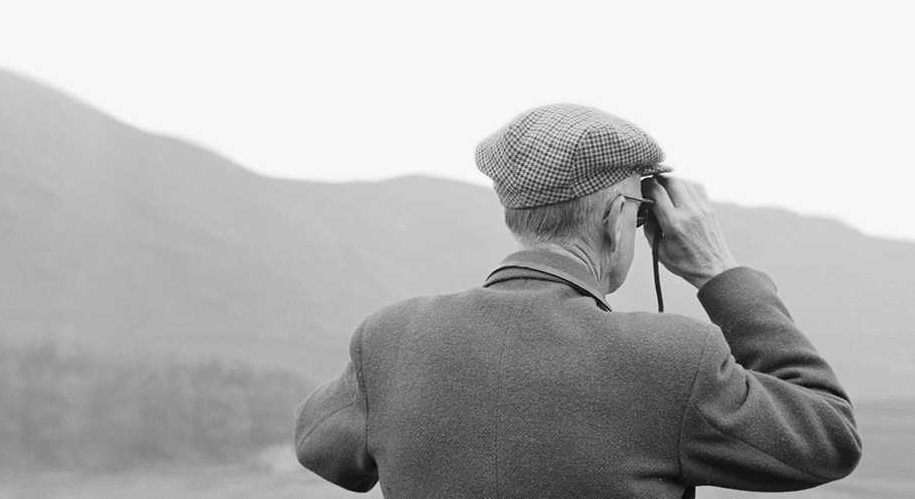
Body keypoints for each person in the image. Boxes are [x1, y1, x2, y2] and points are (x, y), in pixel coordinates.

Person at [293, 103, 860, 498]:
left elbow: (322, 447)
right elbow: (828, 438)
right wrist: (721, 274)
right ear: (618, 219)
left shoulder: (391, 337)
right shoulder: (672, 358)